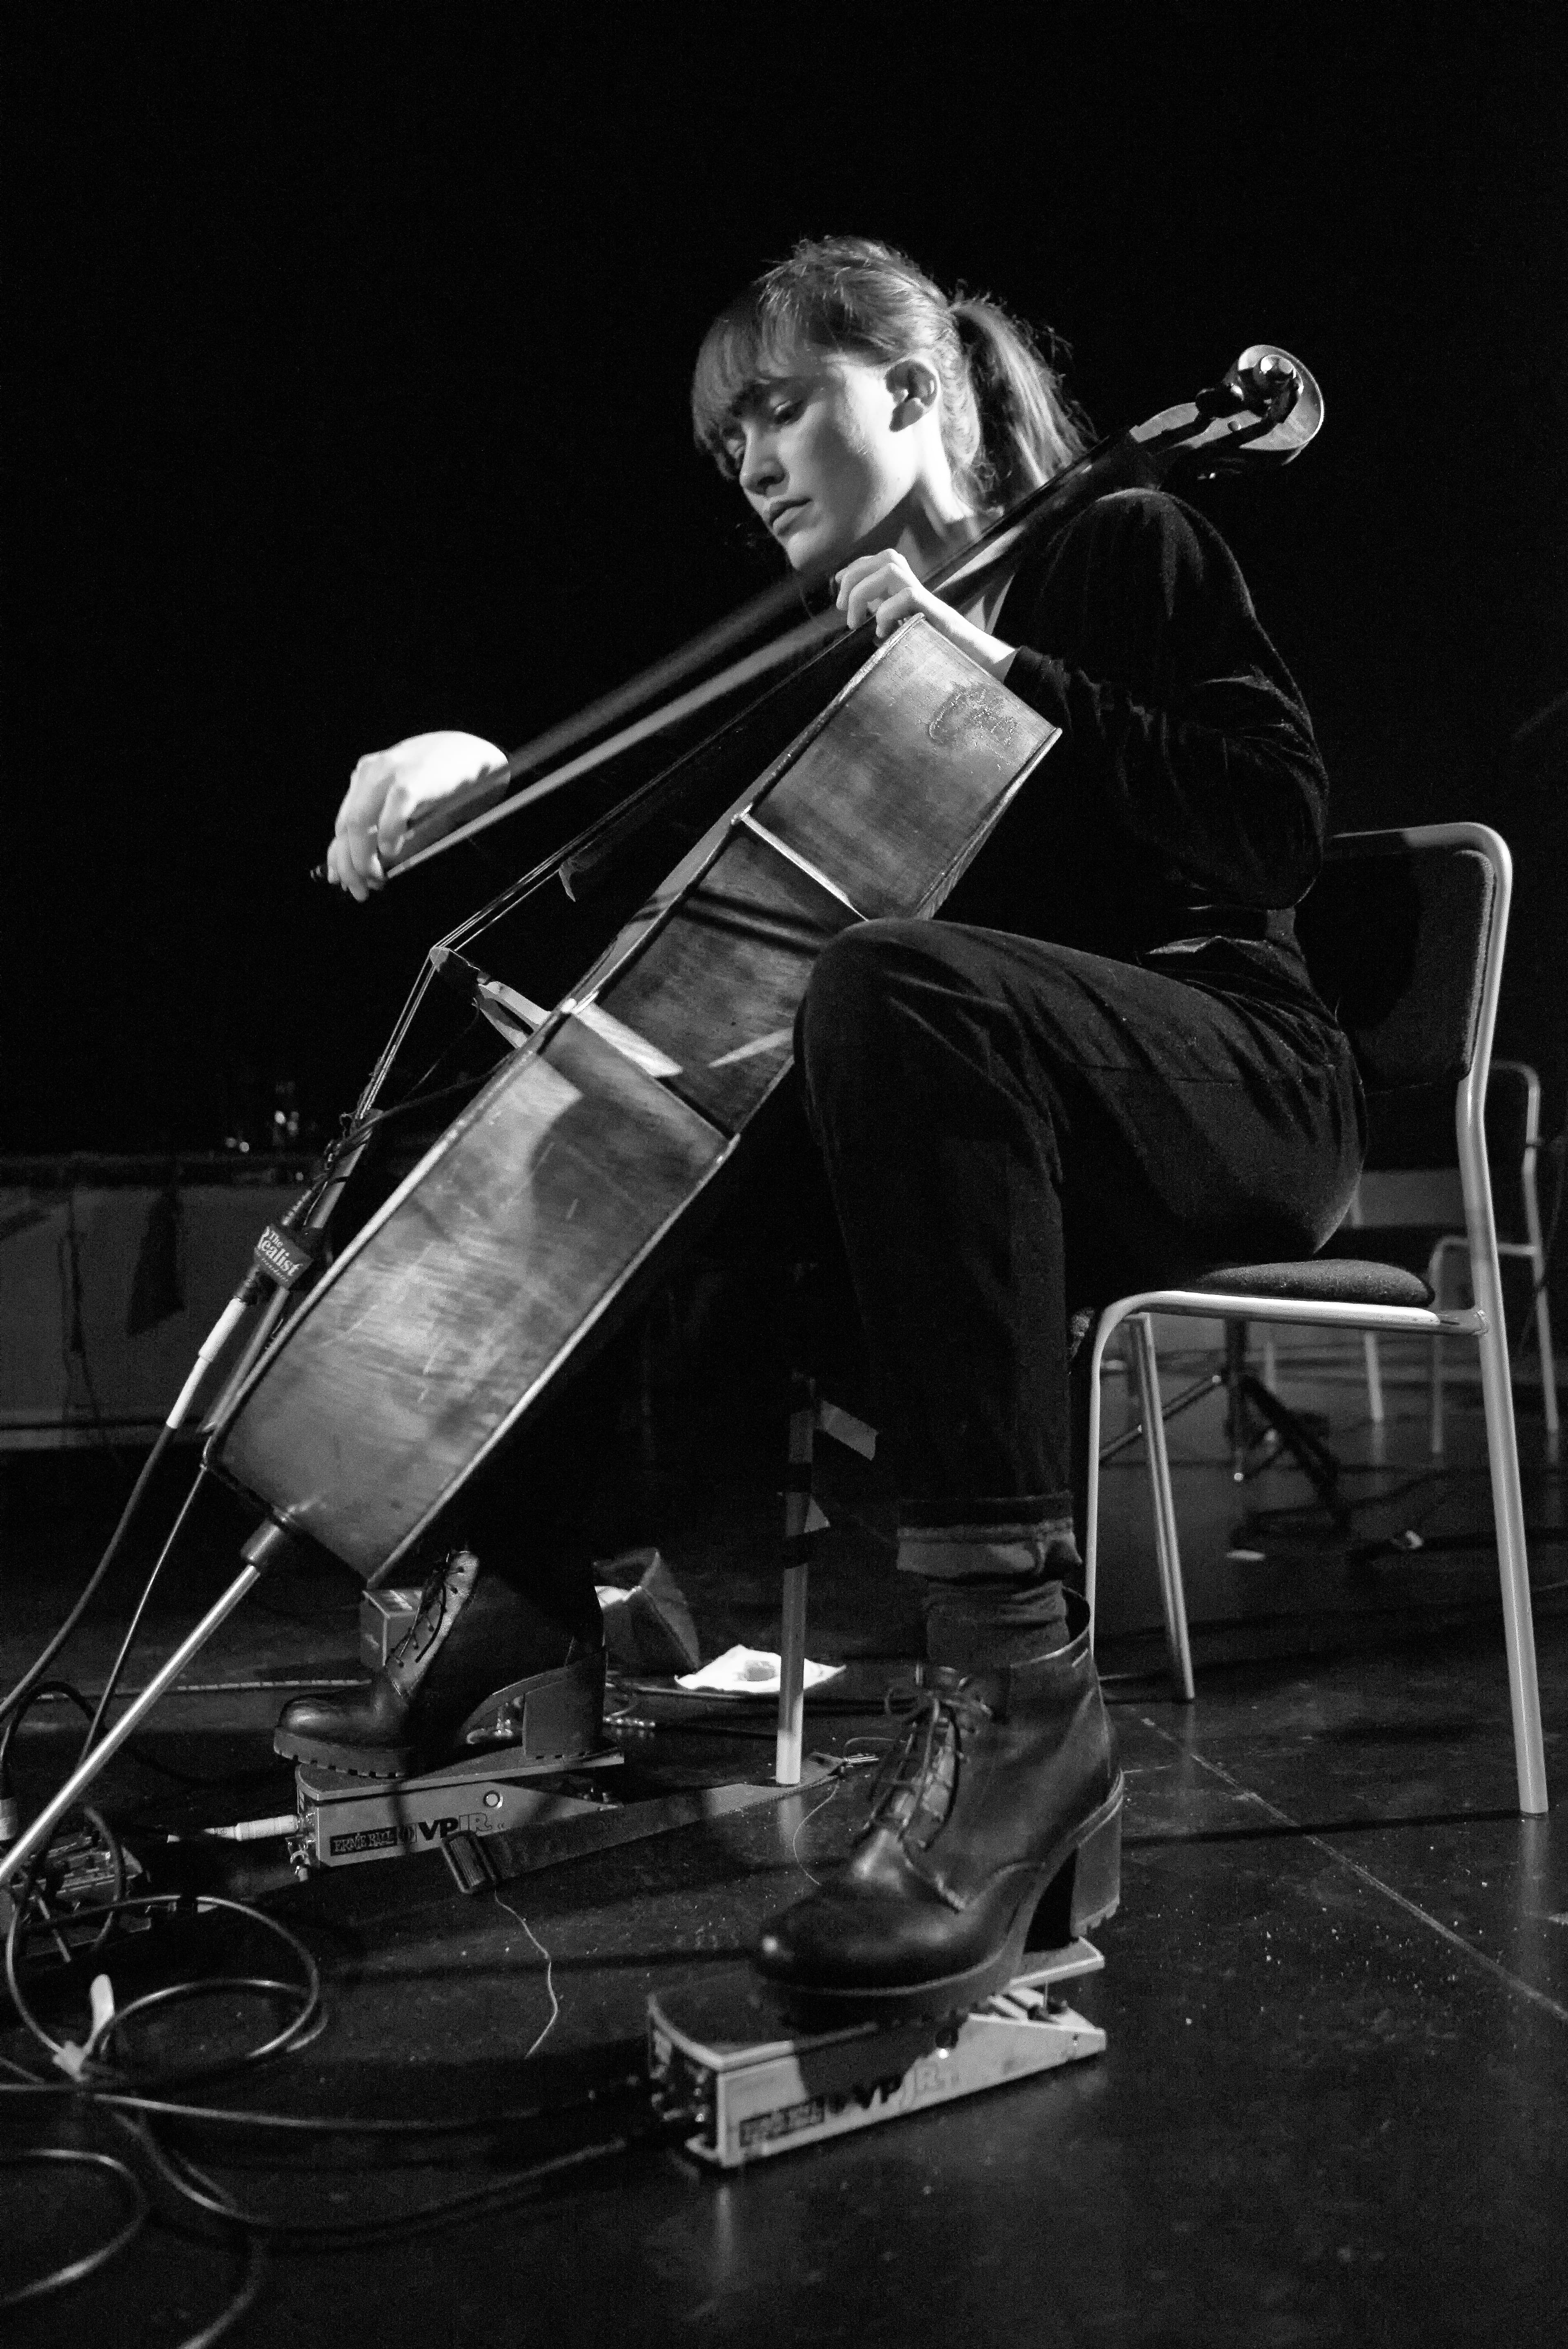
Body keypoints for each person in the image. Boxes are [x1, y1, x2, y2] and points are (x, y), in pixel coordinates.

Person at [282, 237, 1364, 2015]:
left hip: (1231, 1073)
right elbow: (657, 896)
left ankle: (1018, 1703)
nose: (757, 462)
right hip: (993, 1127)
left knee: (886, 990)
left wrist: (1008, 678)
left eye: (783, 408)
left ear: (920, 392)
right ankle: (543, 1592)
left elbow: (1272, 827)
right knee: (650, 1088)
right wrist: (475, 763)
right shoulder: (842, 658)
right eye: (732, 447)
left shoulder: (1117, 544)